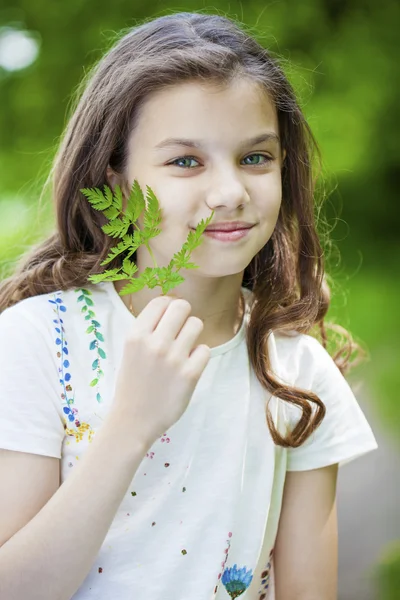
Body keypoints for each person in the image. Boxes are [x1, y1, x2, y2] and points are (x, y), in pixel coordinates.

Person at [0, 11, 378, 600]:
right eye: (185, 161)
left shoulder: (295, 372)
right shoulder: (38, 341)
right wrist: (130, 427)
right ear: (117, 183)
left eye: (256, 158)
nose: (230, 192)